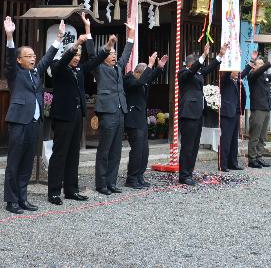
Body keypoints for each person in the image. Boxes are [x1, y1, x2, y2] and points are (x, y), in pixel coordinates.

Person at [2, 16, 65, 214]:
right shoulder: (14, 73)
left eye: (32, 55)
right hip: (19, 121)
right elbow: (10, 60)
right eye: (28, 56)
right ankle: (11, 201)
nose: (32, 58)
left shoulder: (36, 72)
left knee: (28, 162)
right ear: (20, 59)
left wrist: (59, 39)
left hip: (34, 122)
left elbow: (47, 59)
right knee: (15, 162)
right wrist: (10, 37)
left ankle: (23, 198)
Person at [47, 14, 111, 205]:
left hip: (76, 116)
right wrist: (75, 45)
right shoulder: (57, 67)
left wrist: (107, 48)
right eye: (74, 54)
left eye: (78, 55)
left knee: (74, 154)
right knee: (60, 154)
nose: (76, 58)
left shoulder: (80, 70)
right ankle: (54, 192)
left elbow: (95, 61)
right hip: (62, 116)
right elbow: (61, 61)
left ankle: (71, 189)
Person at [90, 19, 135, 195]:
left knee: (116, 149)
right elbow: (94, 54)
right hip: (107, 111)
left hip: (119, 110)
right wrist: (106, 44)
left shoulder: (118, 67)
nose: (114, 56)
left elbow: (126, 55)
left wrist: (130, 35)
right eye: (111, 53)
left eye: (114, 53)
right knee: (105, 149)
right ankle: (101, 184)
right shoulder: (99, 68)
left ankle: (111, 182)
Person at [178, 42, 227, 185]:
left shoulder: (198, 73)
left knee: (194, 146)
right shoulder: (183, 73)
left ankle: (189, 172)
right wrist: (204, 55)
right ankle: (184, 175)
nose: (198, 67)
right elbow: (193, 70)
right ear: (190, 64)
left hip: (198, 113)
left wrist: (220, 55)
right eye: (196, 64)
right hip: (188, 114)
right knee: (187, 146)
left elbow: (209, 69)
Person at [123, 52, 168, 189]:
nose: (145, 79)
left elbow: (147, 79)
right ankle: (131, 179)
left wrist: (159, 68)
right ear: (137, 73)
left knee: (144, 150)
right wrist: (150, 65)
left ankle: (139, 176)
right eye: (143, 75)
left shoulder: (140, 79)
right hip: (132, 120)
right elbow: (142, 81)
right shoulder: (129, 79)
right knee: (136, 150)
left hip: (141, 119)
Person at [245, 51, 271, 169]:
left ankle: (259, 157)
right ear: (254, 66)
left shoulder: (264, 77)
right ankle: (252, 159)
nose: (261, 66)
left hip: (266, 108)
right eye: (259, 64)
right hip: (257, 109)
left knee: (262, 136)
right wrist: (269, 63)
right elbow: (258, 71)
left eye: (262, 64)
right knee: (255, 135)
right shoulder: (252, 75)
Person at [218, 63, 251, 172]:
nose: (237, 73)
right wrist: (232, 60)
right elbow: (227, 73)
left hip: (236, 113)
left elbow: (244, 73)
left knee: (234, 141)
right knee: (226, 140)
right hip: (227, 113)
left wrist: (250, 63)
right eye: (235, 70)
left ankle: (233, 163)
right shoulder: (225, 80)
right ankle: (222, 164)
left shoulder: (236, 81)